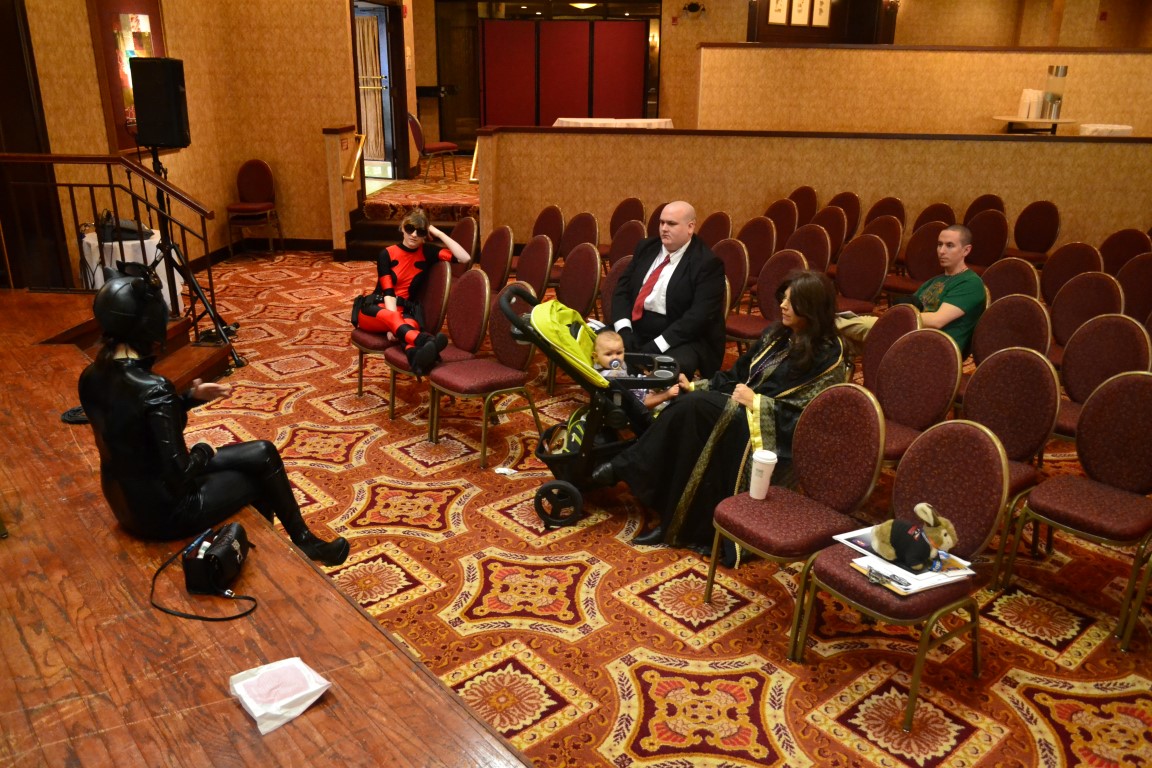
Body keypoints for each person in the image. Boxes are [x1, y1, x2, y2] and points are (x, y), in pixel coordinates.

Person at [78, 273, 350, 566]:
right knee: (258, 478)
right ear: (148, 324)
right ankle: (270, 561)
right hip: (166, 513)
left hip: (125, 503)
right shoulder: (154, 388)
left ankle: (305, 542)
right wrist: (204, 449)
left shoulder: (91, 376)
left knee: (263, 452)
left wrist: (189, 398)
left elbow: (136, 423)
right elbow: (181, 474)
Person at [593, 270, 850, 559]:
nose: (782, 305)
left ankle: (628, 468)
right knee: (688, 405)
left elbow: (812, 422)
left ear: (811, 308)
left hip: (768, 434)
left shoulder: (829, 356)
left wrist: (757, 403)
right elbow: (736, 374)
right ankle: (668, 515)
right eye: (784, 298)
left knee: (696, 407)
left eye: (791, 301)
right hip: (737, 407)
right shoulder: (777, 335)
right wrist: (695, 385)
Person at [609, 201, 727, 379]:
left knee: (666, 367)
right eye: (662, 222)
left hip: (680, 336)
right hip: (637, 327)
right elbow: (622, 290)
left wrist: (657, 345)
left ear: (690, 227)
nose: (664, 228)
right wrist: (624, 331)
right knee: (594, 345)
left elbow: (698, 317)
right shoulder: (646, 247)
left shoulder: (707, 263)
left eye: (671, 224)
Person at [836, 223, 986, 356]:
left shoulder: (970, 283)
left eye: (950, 245)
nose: (941, 251)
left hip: (934, 346)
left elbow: (937, 321)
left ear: (966, 250)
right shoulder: (935, 281)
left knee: (855, 326)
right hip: (909, 332)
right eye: (939, 245)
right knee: (837, 342)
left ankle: (827, 324)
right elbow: (908, 307)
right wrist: (897, 317)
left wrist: (893, 318)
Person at [353, 208, 472, 375]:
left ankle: (417, 360)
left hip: (404, 313)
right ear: (402, 228)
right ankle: (426, 340)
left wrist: (438, 233)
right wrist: (392, 325)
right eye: (410, 229)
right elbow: (388, 292)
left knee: (410, 327)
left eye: (420, 232)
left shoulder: (428, 252)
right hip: (374, 311)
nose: (414, 235)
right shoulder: (386, 254)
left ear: (425, 235)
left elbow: (464, 257)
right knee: (400, 323)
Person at [593, 330, 679, 411]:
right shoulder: (606, 375)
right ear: (596, 357)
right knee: (643, 403)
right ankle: (666, 395)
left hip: (632, 386)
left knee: (651, 382)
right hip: (626, 399)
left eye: (619, 353)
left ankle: (666, 385)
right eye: (608, 354)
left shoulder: (615, 364)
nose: (615, 357)